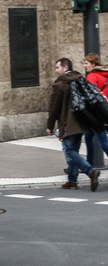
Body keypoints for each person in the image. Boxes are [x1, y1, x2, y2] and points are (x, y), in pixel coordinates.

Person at [47, 58, 100, 191]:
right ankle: (72, 180)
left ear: (65, 68)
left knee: (69, 150)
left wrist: (50, 125)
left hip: (68, 122)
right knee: (73, 150)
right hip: (81, 121)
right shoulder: (79, 78)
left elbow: (54, 107)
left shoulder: (60, 84)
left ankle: (90, 171)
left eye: (58, 67)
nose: (56, 70)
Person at [82, 53, 108, 166]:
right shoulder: (104, 75)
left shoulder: (92, 76)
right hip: (104, 109)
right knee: (88, 137)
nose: (84, 66)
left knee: (103, 141)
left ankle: (89, 164)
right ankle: (89, 163)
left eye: (86, 63)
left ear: (93, 64)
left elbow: (91, 95)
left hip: (97, 113)